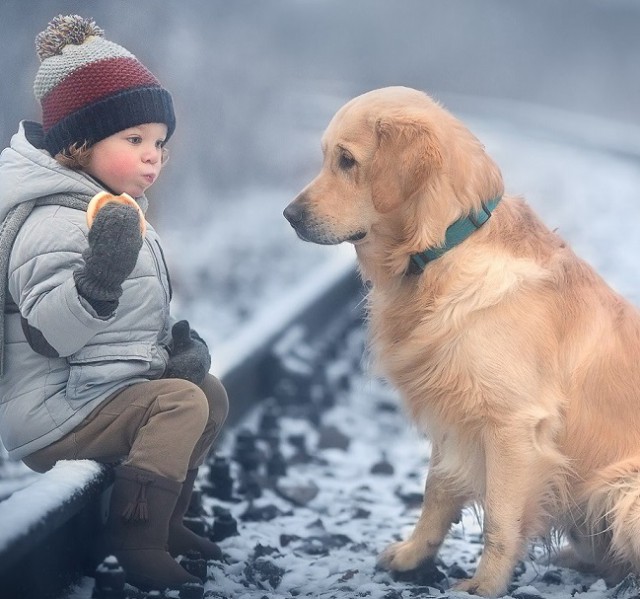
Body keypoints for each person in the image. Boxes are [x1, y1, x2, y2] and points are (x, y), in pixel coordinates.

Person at [0, 15, 229, 591]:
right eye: (134, 140)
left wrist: (167, 349)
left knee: (206, 392)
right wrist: (98, 281)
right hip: (53, 413)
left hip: (95, 392)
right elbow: (51, 333)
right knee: (178, 405)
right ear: (79, 143)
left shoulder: (111, 208)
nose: (153, 156)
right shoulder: (54, 221)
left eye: (159, 143)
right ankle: (137, 542)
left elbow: (121, 323)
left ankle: (166, 523)